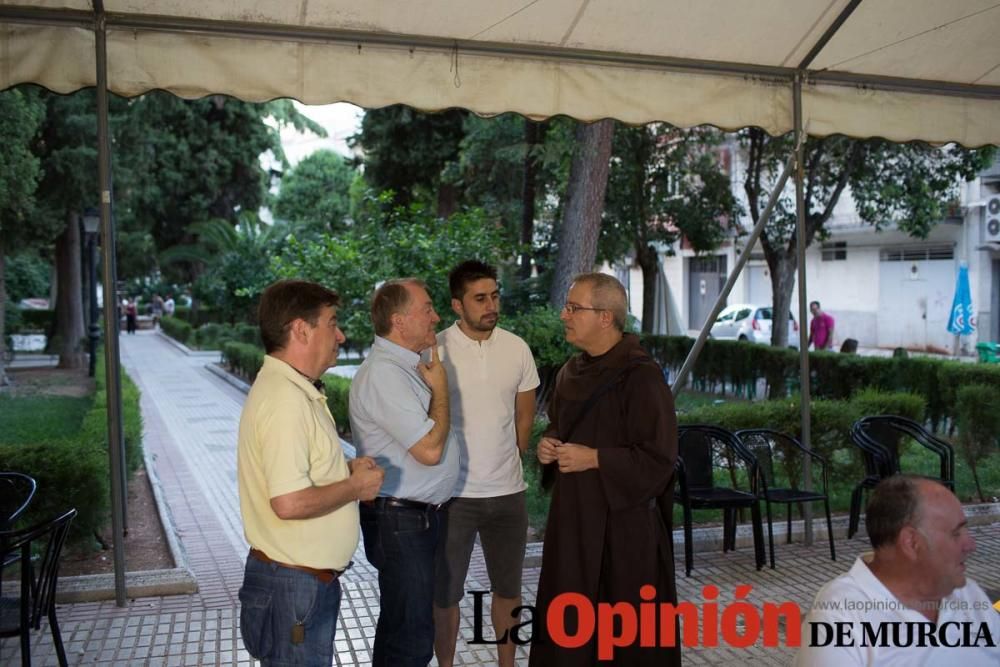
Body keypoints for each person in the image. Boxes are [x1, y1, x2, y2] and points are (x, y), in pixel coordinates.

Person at [530, 272, 680, 667]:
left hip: (624, 533)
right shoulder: (570, 373)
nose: (564, 315)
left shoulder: (641, 376)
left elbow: (659, 458)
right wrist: (549, 445)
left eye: (574, 308)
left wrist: (596, 458)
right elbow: (562, 428)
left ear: (605, 317)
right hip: (574, 526)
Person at [236, 279, 385, 666]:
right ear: (301, 329)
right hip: (293, 588)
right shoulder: (286, 400)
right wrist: (353, 486)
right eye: (331, 323)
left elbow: (301, 475)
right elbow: (288, 502)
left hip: (297, 586)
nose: (341, 334)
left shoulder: (293, 389)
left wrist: (343, 470)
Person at [349, 278, 461, 667]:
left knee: (408, 628)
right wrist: (442, 392)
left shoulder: (407, 366)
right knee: (409, 640)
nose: (436, 316)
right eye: (427, 309)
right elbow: (430, 450)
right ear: (399, 321)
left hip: (417, 517)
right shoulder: (384, 374)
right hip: (402, 520)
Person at [433, 261, 539, 667]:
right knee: (445, 595)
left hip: (509, 494)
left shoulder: (517, 348)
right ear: (457, 305)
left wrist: (511, 453)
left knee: (509, 590)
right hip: (453, 496)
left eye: (495, 295)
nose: (491, 305)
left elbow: (524, 417)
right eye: (480, 298)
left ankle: (507, 664)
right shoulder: (436, 349)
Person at [795, 475, 999, 666]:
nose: (970, 545)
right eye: (956, 533)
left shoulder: (966, 593)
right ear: (911, 543)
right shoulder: (841, 614)